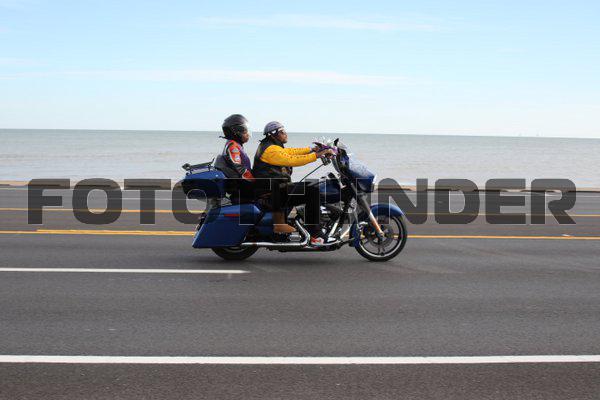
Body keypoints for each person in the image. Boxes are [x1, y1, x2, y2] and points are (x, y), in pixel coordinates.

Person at [252, 121, 334, 241]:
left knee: (311, 185)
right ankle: (315, 232)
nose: (286, 134)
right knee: (312, 191)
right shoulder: (270, 150)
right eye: (282, 132)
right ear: (273, 134)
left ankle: (305, 221)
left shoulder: (272, 146)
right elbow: (292, 160)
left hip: (276, 187)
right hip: (273, 192)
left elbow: (291, 152)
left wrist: (312, 149)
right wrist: (317, 155)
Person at [214, 114, 255, 204]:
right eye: (245, 131)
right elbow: (239, 168)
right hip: (241, 186)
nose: (248, 134)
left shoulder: (235, 144)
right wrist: (254, 180)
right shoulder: (233, 146)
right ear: (236, 131)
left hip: (240, 183)